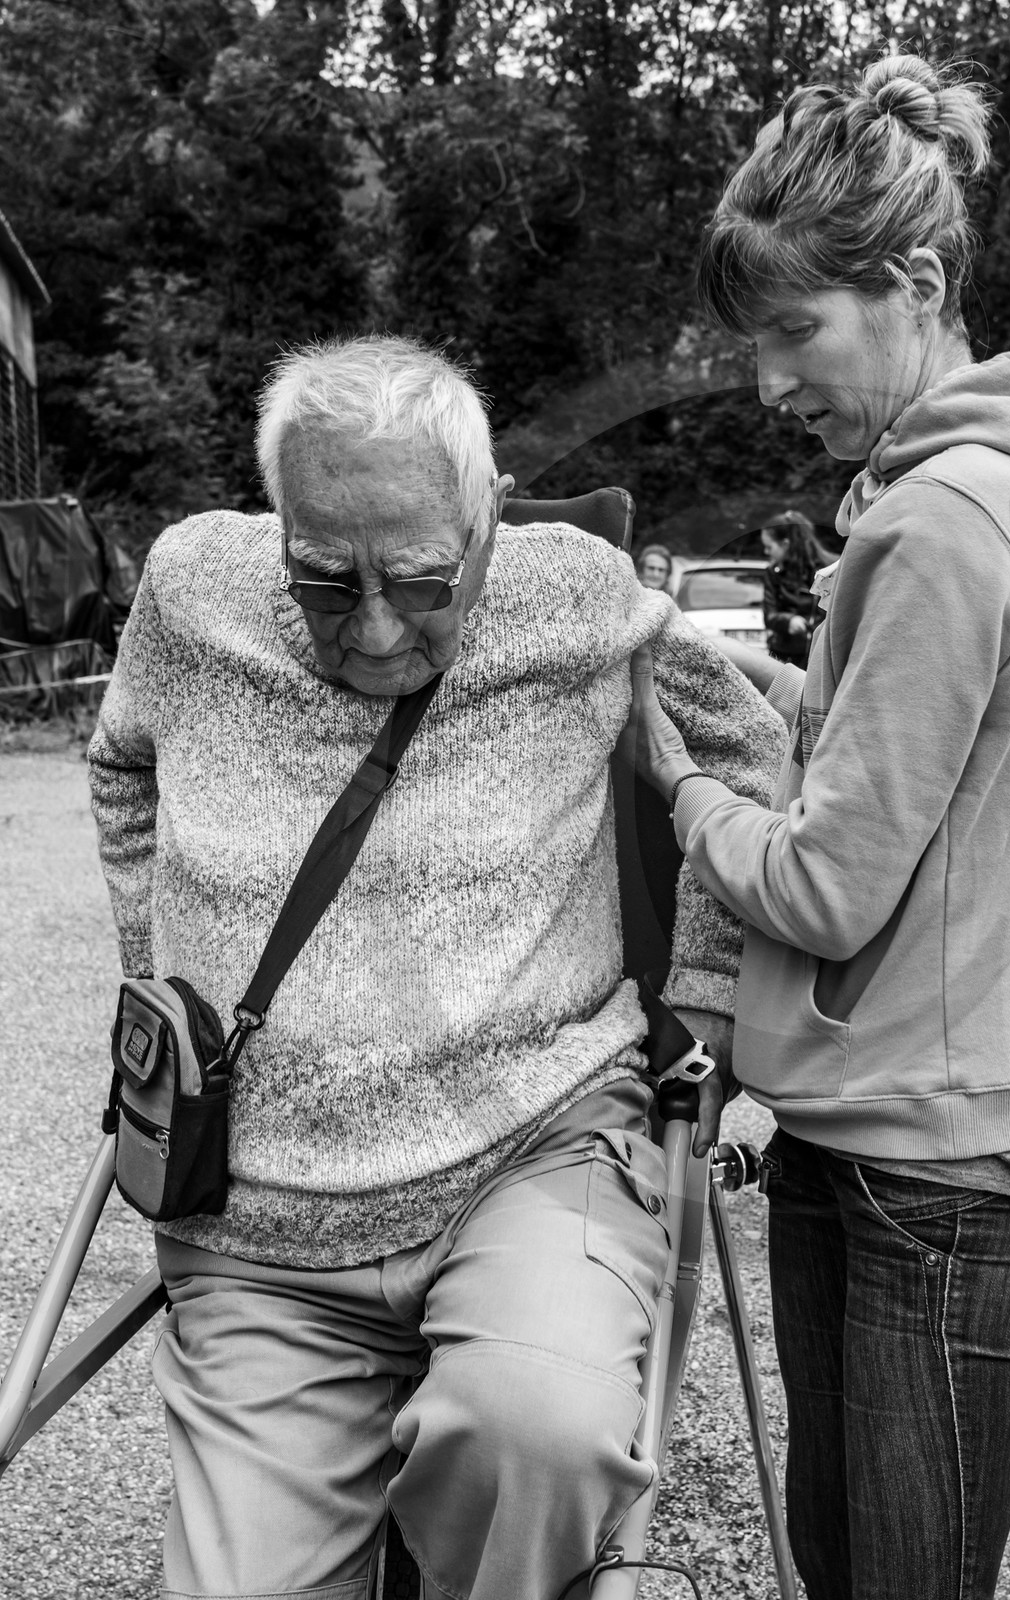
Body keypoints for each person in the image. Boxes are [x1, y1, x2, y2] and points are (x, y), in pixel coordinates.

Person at [86, 334, 786, 1600]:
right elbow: (119, 761)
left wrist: (704, 992)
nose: (369, 627)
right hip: (261, 1227)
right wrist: (163, 977)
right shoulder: (192, 587)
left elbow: (745, 752)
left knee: (541, 1428)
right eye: (322, 577)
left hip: (533, 1152)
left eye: (417, 580)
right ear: (276, 521)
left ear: (487, 522)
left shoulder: (575, 593)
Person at [627, 52, 1010, 1600]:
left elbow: (834, 884)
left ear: (914, 281)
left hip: (926, 1168)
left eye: (796, 331)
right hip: (959, 1118)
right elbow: (943, 762)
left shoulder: (933, 521)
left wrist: (685, 782)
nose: (773, 380)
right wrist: (770, 685)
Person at [760, 509, 823, 663]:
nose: (766, 552)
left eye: (769, 547)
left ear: (785, 544)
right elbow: (769, 615)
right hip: (783, 655)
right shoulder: (772, 572)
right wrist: (788, 621)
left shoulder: (827, 569)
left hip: (819, 655)